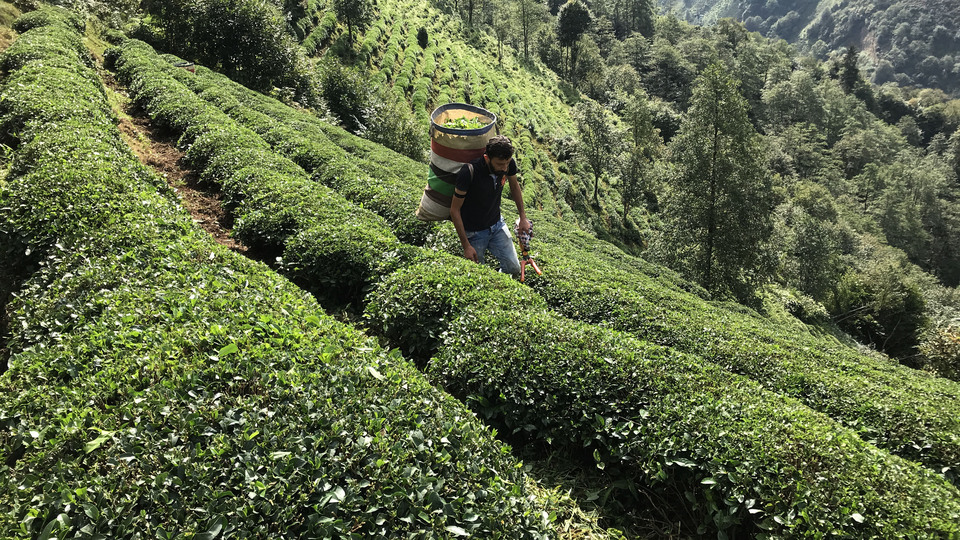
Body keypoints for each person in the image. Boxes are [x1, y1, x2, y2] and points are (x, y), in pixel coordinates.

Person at [449, 135, 531, 275]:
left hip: (497, 224)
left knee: (513, 268)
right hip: (473, 232)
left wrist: (523, 217)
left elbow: (514, 186)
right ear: (487, 158)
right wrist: (466, 246)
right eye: (500, 164)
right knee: (477, 273)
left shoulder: (508, 164)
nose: (504, 168)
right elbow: (454, 210)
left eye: (507, 163)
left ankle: (499, 280)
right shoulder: (469, 172)